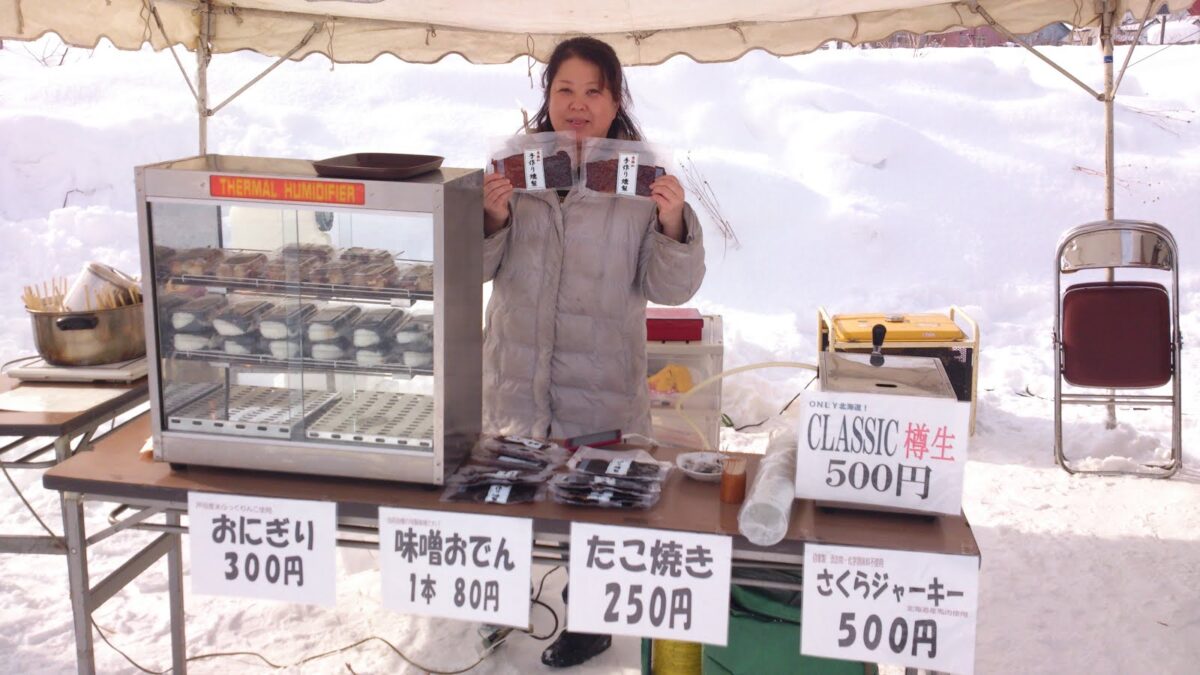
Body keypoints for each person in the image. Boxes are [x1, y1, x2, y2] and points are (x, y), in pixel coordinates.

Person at [480, 36, 705, 667]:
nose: (577, 105)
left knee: (595, 507)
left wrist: (672, 224)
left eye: (593, 92)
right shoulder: (513, 168)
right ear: (547, 96)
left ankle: (589, 620)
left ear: (615, 100)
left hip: (601, 380)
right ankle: (493, 601)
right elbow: (475, 269)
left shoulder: (643, 179)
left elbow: (670, 288)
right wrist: (491, 220)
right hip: (517, 373)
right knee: (504, 494)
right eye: (565, 90)